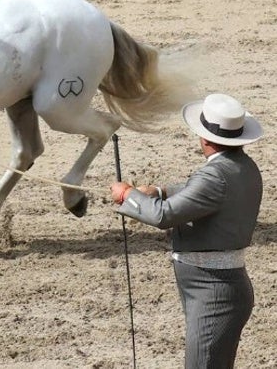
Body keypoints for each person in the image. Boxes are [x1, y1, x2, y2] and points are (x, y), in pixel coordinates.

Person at [110, 93, 263, 369]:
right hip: (217, 287)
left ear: (204, 138)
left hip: (213, 291)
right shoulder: (243, 167)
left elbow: (163, 215)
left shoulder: (215, 176)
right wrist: (158, 190)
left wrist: (128, 195)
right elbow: (197, 190)